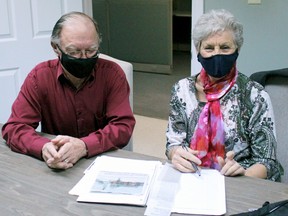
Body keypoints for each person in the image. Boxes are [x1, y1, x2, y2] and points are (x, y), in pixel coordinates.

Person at [2, 11, 135, 170]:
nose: (84, 58)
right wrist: (43, 147)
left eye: (91, 50)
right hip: (57, 163)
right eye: (74, 52)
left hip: (101, 159)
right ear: (56, 48)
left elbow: (123, 126)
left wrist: (84, 146)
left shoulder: (112, 74)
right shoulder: (40, 77)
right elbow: (14, 127)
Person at [165, 9, 282, 181]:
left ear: (237, 50)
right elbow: (173, 143)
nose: (217, 54)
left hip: (240, 183)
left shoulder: (255, 95)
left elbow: (267, 162)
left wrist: (244, 174)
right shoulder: (181, 90)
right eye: (209, 48)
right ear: (198, 50)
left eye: (225, 47)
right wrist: (176, 154)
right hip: (192, 179)